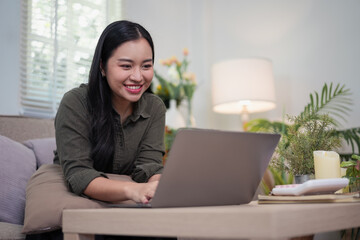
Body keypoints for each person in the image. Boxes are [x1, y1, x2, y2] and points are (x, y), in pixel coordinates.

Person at [26, 20, 174, 240]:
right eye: (126, 66)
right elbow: (79, 174)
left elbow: (149, 166)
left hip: (125, 203)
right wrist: (134, 191)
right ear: (102, 67)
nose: (137, 76)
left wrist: (157, 184)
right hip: (75, 196)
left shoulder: (154, 107)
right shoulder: (76, 102)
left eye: (146, 65)